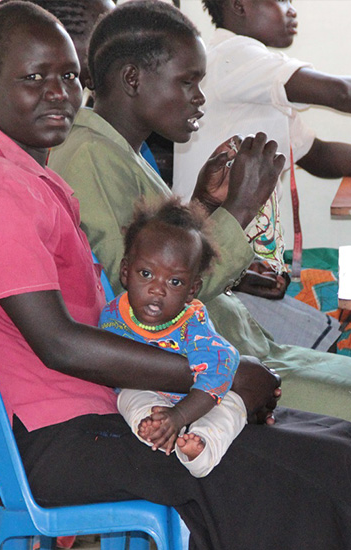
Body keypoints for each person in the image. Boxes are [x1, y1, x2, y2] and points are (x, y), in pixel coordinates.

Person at [0, 4, 351, 547]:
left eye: (67, 75)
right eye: (33, 78)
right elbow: (58, 343)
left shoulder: (26, 175)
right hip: (48, 441)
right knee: (307, 471)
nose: (58, 93)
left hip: (96, 411)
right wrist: (213, 373)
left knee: (339, 443)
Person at [47, 0, 351, 529]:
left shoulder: (125, 151)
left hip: (246, 343)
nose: (200, 98)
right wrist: (238, 208)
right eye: (189, 83)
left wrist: (204, 206)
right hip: (208, 370)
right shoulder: (90, 156)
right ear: (131, 79)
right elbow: (147, 303)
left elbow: (163, 259)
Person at [172, 0, 351, 312]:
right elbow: (341, 92)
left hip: (234, 262)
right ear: (239, 6)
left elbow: (319, 155)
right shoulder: (233, 55)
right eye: (282, 0)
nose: (291, 10)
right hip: (212, 269)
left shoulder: (255, 81)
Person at [103, 197, 247, 477]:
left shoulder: (192, 324)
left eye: (175, 282)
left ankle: (200, 449)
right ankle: (152, 428)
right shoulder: (112, 315)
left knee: (232, 406)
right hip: (151, 396)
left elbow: (221, 367)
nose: (157, 289)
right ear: (125, 272)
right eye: (146, 274)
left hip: (199, 401)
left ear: (192, 290)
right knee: (129, 396)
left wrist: (181, 415)